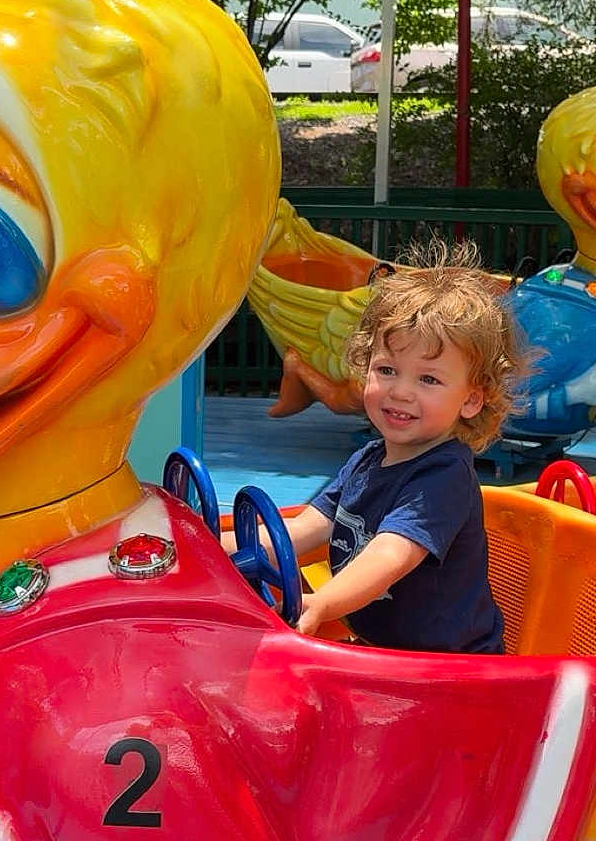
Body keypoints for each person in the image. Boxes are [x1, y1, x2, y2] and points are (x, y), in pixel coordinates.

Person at [226, 243, 527, 653]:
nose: (400, 392)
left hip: (449, 669)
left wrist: (323, 603)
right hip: (382, 649)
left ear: (472, 400)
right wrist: (214, 550)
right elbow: (302, 529)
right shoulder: (368, 460)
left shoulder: (443, 477)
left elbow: (390, 555)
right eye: (387, 370)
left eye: (429, 380)